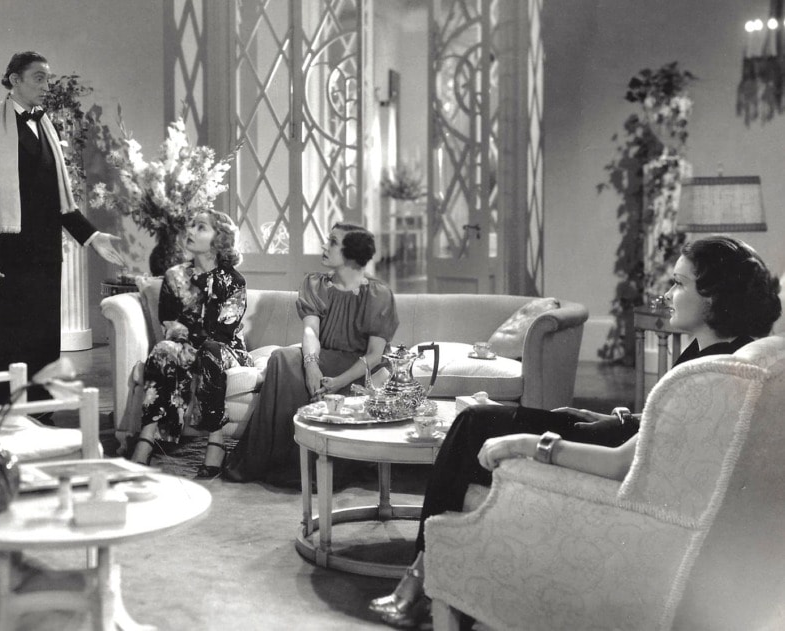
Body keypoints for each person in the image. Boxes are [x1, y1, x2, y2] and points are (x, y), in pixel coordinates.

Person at [370, 235, 782, 628]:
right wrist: (612, 418)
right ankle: (423, 576)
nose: (667, 294)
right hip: (620, 432)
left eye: (678, 283)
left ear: (713, 296)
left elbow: (626, 462)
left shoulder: (709, 376)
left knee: (475, 424)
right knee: (479, 419)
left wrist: (531, 443)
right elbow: (663, 432)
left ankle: (418, 582)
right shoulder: (725, 353)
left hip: (610, 461)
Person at [0, 51, 124, 410]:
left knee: (44, 337)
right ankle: (9, 412)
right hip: (7, 252)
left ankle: (42, 410)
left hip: (46, 253)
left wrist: (92, 236)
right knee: (10, 338)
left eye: (48, 78)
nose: (46, 86)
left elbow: (58, 201)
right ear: (14, 79)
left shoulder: (49, 128)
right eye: (38, 77)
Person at [224, 223, 399, 483]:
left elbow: (375, 354)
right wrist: (311, 366)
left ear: (352, 252)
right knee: (282, 358)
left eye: (333, 242)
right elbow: (310, 333)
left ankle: (319, 469)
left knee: (323, 374)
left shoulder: (378, 294)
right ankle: (278, 461)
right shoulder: (316, 284)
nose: (324, 246)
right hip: (322, 355)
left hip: (359, 366)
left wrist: (339, 381)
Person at [130, 212, 252, 478]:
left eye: (201, 227)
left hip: (225, 349)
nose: (191, 231)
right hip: (185, 345)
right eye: (191, 225)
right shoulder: (175, 276)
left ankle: (216, 441)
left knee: (210, 352)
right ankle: (147, 439)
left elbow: (223, 331)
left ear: (220, 239)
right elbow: (169, 322)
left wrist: (190, 334)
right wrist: (183, 337)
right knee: (163, 350)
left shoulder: (233, 282)